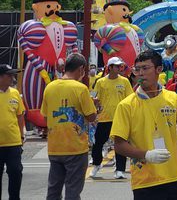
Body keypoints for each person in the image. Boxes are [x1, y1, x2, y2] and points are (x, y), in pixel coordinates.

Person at [111, 50, 177, 200]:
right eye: (138, 69)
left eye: (145, 68)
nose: (141, 73)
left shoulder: (172, 98)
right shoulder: (126, 105)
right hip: (144, 181)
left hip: (172, 178)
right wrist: (146, 155)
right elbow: (119, 145)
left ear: (159, 70)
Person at [41, 53, 97, 200]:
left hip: (54, 147)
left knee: (53, 190)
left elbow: (46, 116)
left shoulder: (50, 87)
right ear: (81, 69)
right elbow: (91, 116)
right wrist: (94, 105)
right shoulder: (81, 88)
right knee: (73, 191)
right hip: (75, 147)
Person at [90, 56, 133, 179]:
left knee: (120, 144)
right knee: (98, 143)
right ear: (110, 68)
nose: (120, 68)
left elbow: (130, 98)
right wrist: (94, 101)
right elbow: (93, 96)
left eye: (120, 66)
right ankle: (97, 164)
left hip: (120, 118)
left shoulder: (124, 81)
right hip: (104, 118)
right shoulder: (100, 82)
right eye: (117, 66)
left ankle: (120, 170)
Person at [0, 65, 24, 200]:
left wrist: (21, 136)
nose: (12, 78)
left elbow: (20, 115)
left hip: (13, 142)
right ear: (1, 77)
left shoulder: (15, 93)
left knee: (16, 172)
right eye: (9, 75)